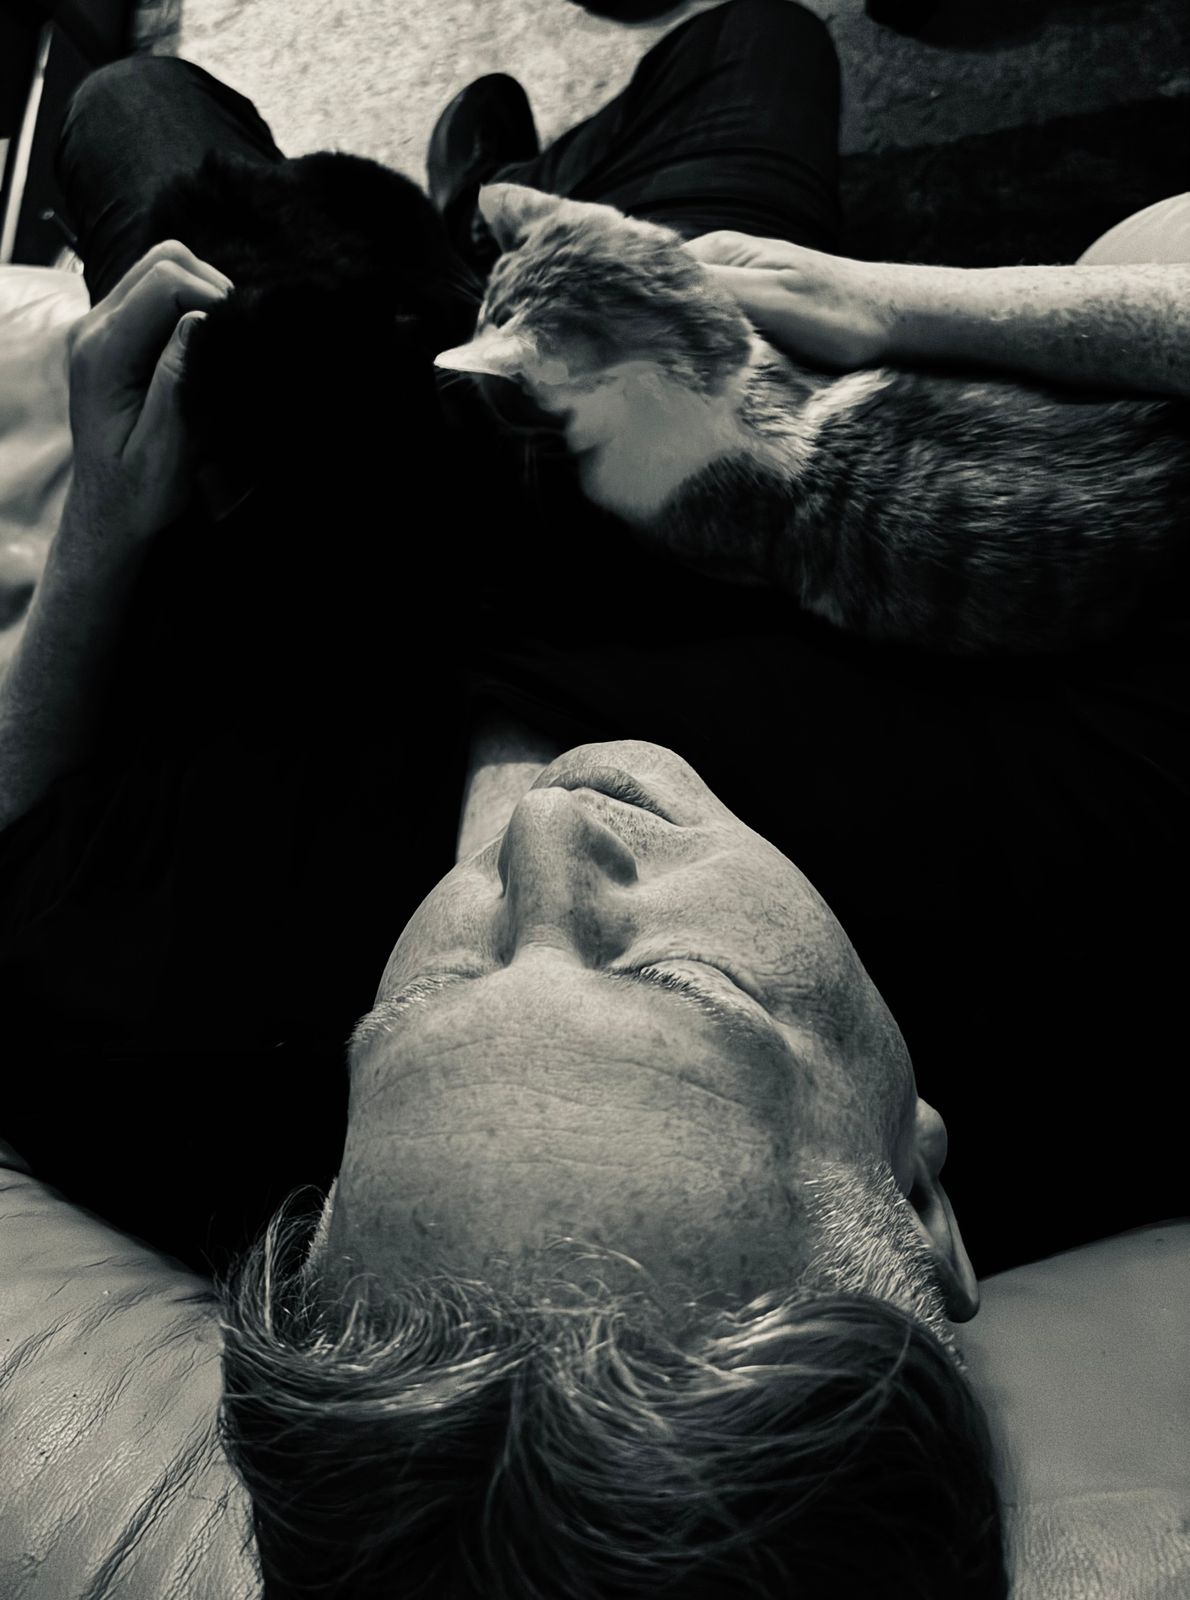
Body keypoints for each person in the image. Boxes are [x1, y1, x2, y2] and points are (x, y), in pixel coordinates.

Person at [0, 2, 1187, 1595]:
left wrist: (100, 526)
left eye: (418, 1011)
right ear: (919, 1193)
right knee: (756, 38)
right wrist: (867, 299)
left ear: (324, 1216)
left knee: (135, 103)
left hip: (302, 435)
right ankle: (501, 192)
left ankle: (467, 202)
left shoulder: (164, 1084)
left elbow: (18, 861)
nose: (550, 829)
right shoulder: (1114, 923)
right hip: (704, 408)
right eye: (697, 990)